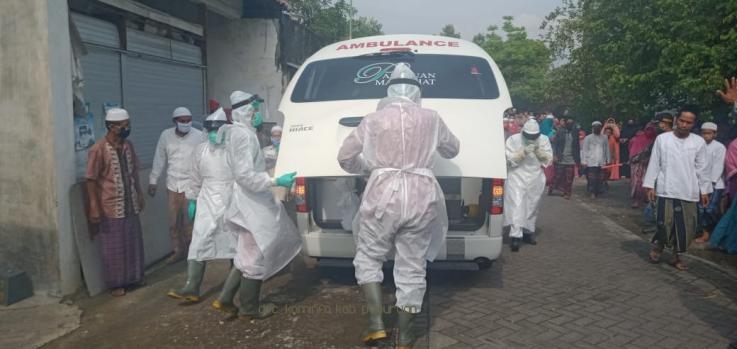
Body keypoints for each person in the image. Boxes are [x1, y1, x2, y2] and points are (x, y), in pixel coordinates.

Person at [337, 63, 459, 348]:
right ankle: (405, 337)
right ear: (417, 91)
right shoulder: (433, 118)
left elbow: (345, 158)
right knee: (412, 266)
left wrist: (370, 167)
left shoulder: (373, 120)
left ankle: (377, 326)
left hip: (382, 197)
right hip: (421, 198)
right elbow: (453, 149)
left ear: (389, 91)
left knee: (369, 257)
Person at [224, 91, 302, 320]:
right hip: (250, 204)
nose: (258, 114)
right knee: (255, 254)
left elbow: (254, 162)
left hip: (250, 201)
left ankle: (225, 299)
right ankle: (250, 307)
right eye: (255, 109)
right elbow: (246, 175)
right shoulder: (243, 136)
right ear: (246, 111)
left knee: (245, 254)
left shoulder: (243, 133)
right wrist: (276, 181)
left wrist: (274, 154)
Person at [166, 108, 241, 313]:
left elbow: (243, 176)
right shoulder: (201, 150)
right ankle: (192, 286)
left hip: (231, 197)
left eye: (218, 130)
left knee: (235, 242)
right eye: (211, 130)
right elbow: (195, 176)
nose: (214, 134)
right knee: (199, 240)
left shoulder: (233, 150)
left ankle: (233, 288)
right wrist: (192, 199)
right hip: (206, 199)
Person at [85, 108, 145, 297]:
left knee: (133, 243)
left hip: (130, 204)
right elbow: (91, 179)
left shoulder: (128, 146)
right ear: (112, 127)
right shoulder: (98, 149)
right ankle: (116, 284)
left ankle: (134, 278)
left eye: (128, 124)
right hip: (111, 206)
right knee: (114, 247)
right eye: (124, 125)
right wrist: (94, 206)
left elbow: (134, 171)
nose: (127, 128)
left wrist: (139, 192)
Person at [644, 107, 711, 271]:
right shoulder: (662, 139)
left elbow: (702, 168)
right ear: (676, 120)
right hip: (666, 187)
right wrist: (650, 185)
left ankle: (676, 256)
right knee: (664, 223)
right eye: (682, 120)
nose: (684, 125)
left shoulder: (698, 142)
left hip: (688, 190)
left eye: (689, 122)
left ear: (693, 124)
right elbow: (655, 163)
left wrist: (704, 190)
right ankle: (659, 246)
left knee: (685, 227)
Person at [148, 107, 203, 263]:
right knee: (173, 223)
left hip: (191, 186)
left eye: (188, 120)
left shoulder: (199, 136)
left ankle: (193, 255)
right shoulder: (166, 136)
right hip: (172, 185)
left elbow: (204, 159)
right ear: (175, 121)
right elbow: (159, 157)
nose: (186, 124)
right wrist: (153, 180)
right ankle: (178, 251)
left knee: (190, 223)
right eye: (182, 121)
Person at [504, 119, 553, 252]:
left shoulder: (544, 140)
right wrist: (522, 153)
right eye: (529, 136)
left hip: (535, 176)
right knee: (517, 205)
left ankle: (527, 232)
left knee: (532, 205)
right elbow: (508, 159)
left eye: (534, 136)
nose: (531, 138)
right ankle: (515, 236)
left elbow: (548, 160)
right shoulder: (513, 140)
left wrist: (539, 152)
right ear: (523, 132)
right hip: (517, 175)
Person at [694, 122, 726, 243]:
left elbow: (718, 166)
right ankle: (704, 231)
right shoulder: (698, 145)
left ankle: (709, 232)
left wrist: (711, 183)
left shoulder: (719, 147)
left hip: (715, 184)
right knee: (700, 209)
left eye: (709, 133)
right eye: (704, 133)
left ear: (715, 134)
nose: (706, 136)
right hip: (700, 183)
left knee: (709, 209)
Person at [708, 137, 737, 253]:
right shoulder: (734, 144)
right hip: (735, 182)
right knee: (733, 216)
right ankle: (723, 243)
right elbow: (731, 165)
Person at [628, 122, 658, 208]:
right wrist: (635, 159)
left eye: (651, 129)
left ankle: (647, 199)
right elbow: (631, 150)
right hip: (636, 164)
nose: (649, 131)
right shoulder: (636, 139)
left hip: (649, 165)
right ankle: (636, 200)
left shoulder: (656, 140)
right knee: (636, 182)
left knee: (647, 182)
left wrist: (648, 159)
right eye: (647, 129)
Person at [550, 119, 580, 199]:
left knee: (569, 178)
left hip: (571, 159)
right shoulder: (560, 132)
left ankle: (567, 193)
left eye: (571, 123)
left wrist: (578, 160)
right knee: (558, 176)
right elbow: (555, 144)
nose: (570, 124)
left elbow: (577, 147)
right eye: (568, 123)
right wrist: (554, 155)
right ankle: (552, 187)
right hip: (561, 158)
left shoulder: (575, 133)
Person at [582, 121, 610, 198]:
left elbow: (607, 149)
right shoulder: (588, 138)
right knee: (592, 178)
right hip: (591, 161)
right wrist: (584, 161)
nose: (597, 128)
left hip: (601, 161)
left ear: (600, 128)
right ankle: (592, 192)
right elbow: (585, 150)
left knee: (601, 177)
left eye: (598, 127)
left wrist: (608, 160)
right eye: (595, 127)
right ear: (593, 128)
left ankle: (598, 190)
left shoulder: (604, 137)